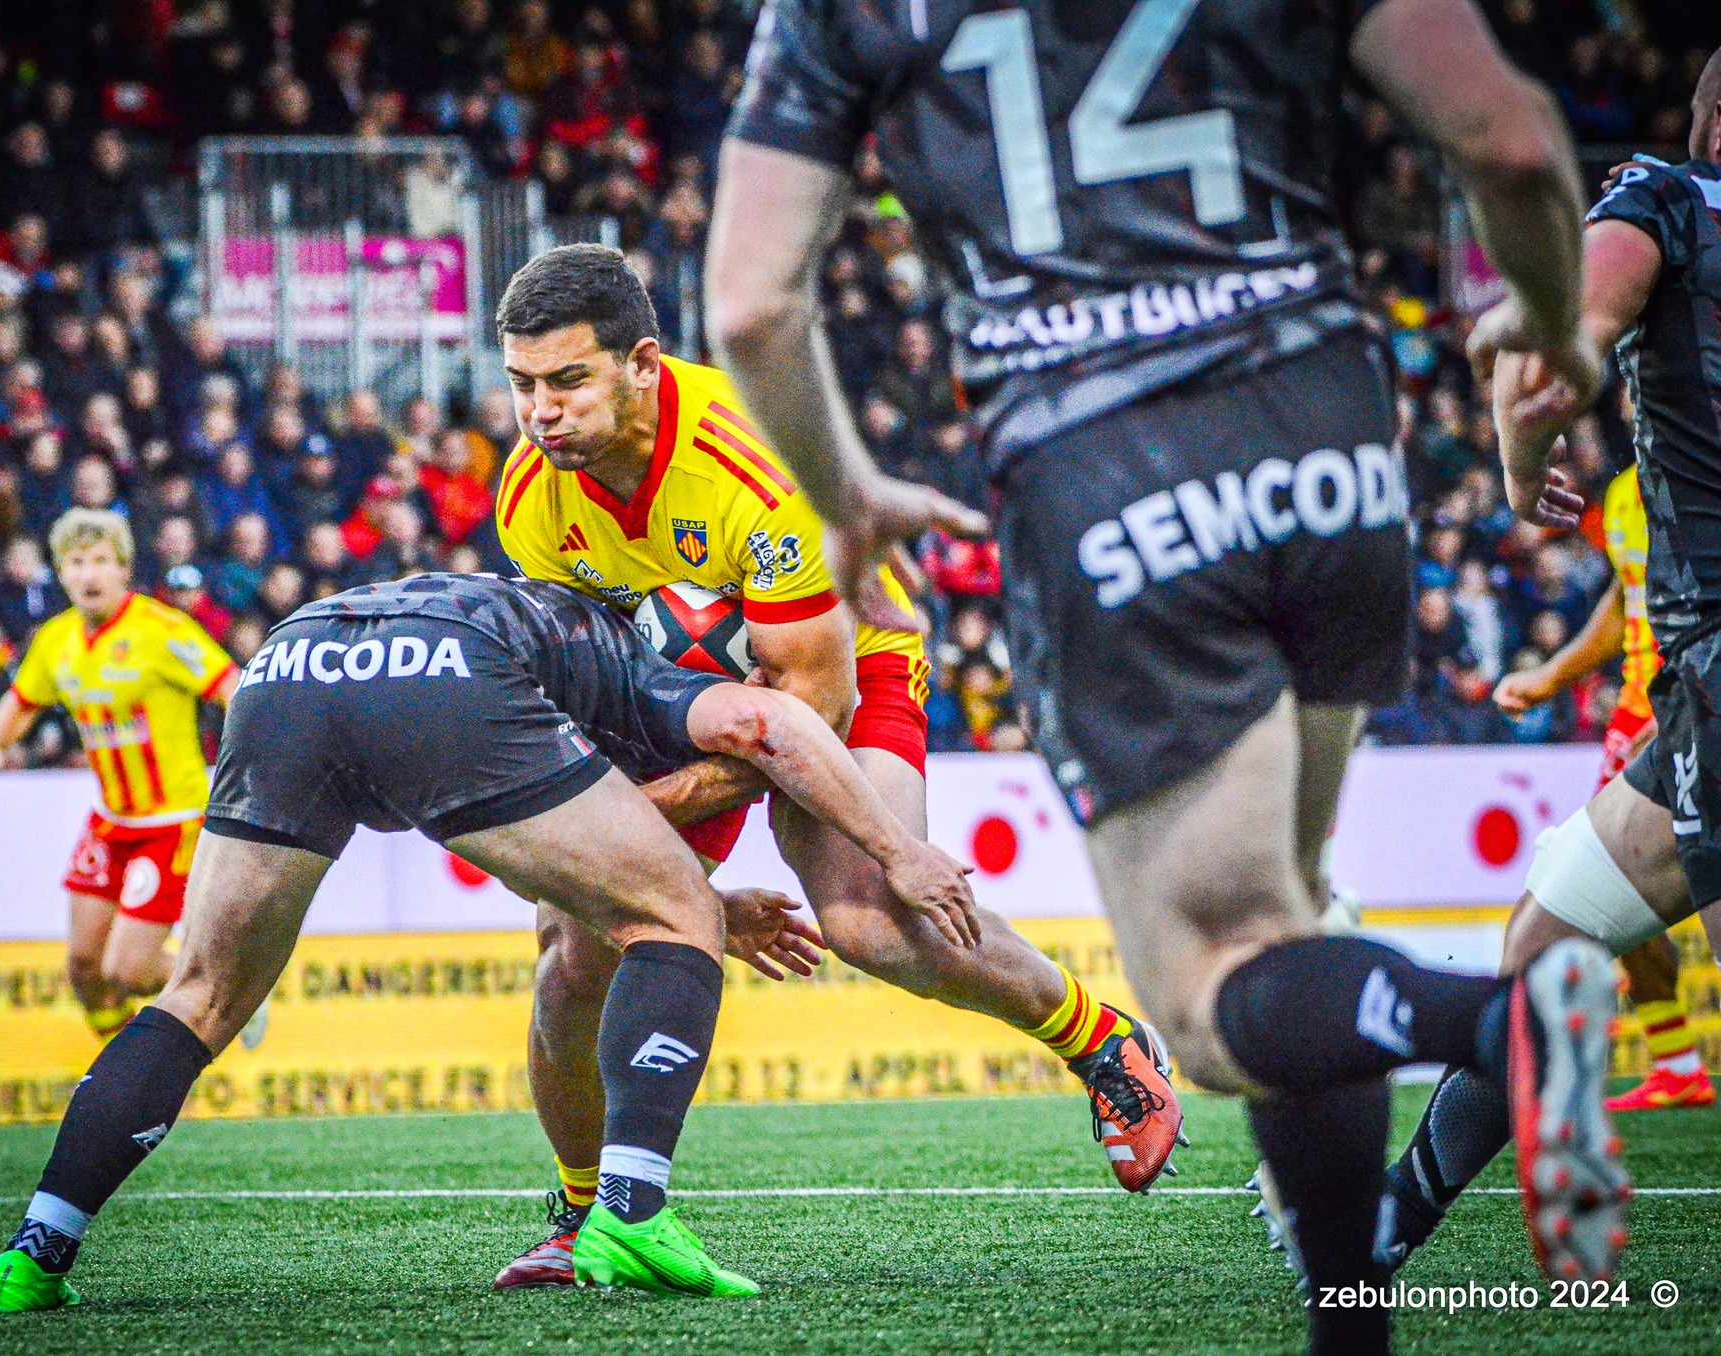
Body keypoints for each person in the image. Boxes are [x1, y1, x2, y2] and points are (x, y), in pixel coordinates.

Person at [707, 1, 1620, 1350]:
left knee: (1214, 987)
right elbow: (1512, 140)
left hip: (1104, 463)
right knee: (1284, 924)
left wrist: (843, 493)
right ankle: (1350, 1323)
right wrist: (1553, 324)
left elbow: (751, 303)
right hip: (1331, 433)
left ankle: (1505, 1020)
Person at [0, 571, 978, 1311]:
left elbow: (527, 858)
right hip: (438, 672)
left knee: (197, 993)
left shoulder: (556, 627)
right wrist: (897, 853)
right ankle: (628, 1213)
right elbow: (767, 728)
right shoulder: (645, 669)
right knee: (678, 916)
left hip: (290, 659)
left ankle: (35, 1250)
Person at [487, 246, 1182, 1289]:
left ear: (642, 362)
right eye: (522, 384)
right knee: (569, 947)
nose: (541, 413)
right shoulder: (529, 498)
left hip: (843, 670)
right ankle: (585, 1215)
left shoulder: (747, 461)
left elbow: (810, 703)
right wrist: (661, 876)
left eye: (568, 380)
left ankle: (1102, 1041)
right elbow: (587, 699)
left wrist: (666, 831)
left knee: (871, 921)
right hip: (680, 703)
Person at [1375, 57, 1721, 1274]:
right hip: (1690, 700)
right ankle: (1381, 1226)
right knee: (1546, 941)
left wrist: (1523, 472)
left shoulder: (1664, 198)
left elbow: (1541, 362)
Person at [0, 508, 239, 1040]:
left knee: (127, 971)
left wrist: (253, 757)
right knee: (85, 970)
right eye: (76, 562)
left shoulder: (162, 630)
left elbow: (233, 688)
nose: (89, 574)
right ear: (60, 573)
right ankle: (119, 1075)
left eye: (101, 561)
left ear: (124, 570)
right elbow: (21, 701)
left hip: (172, 821)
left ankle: (226, 984)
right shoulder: (56, 640)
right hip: (110, 821)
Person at [1492, 462, 1712, 1111]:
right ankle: (1676, 1061)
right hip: (1636, 724)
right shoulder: (1623, 491)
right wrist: (1552, 676)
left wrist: (1684, 708)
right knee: (1602, 895)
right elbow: (1626, 598)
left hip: (1696, 712)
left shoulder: (1699, 470)